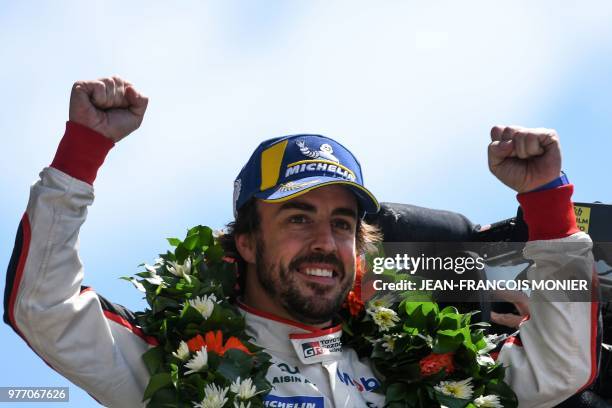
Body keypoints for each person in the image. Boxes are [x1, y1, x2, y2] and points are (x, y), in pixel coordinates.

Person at [3, 77, 599, 408]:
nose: (325, 241)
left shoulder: (419, 371)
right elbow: (44, 309)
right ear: (245, 244)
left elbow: (558, 366)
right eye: (297, 219)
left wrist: (547, 203)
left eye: (342, 224)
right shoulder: (170, 364)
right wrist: (81, 152)